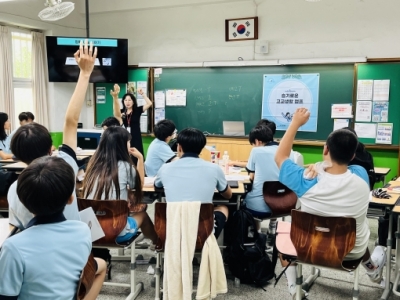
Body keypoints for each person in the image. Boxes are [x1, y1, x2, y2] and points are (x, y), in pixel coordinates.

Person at [275, 108, 386, 298]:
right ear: (352, 156)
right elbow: (343, 170)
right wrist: (321, 166)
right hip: (351, 252)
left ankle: (294, 288)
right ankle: (371, 268)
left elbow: (281, 157)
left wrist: (295, 123)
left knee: (283, 231)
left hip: (308, 249)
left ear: (325, 149)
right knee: (356, 228)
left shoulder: (306, 179)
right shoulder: (361, 175)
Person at [7, 39, 95, 229]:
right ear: (50, 148)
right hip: (75, 251)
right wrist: (85, 73)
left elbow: (15, 229)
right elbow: (71, 121)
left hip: (34, 256)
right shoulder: (66, 167)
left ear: (18, 156)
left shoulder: (15, 189)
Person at [0, 156, 105, 300]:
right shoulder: (83, 231)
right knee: (102, 264)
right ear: (70, 199)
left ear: (23, 201)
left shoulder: (13, 247)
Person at [82, 126, 158, 245]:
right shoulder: (126, 167)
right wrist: (140, 159)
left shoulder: (92, 166)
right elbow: (139, 184)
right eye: (128, 142)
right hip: (116, 232)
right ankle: (157, 244)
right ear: (122, 145)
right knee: (142, 214)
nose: (130, 144)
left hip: (91, 233)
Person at [155, 128, 232, 238]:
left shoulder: (165, 168)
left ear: (179, 147)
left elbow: (157, 186)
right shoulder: (214, 169)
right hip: (203, 233)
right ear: (201, 149)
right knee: (223, 208)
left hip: (174, 233)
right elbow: (228, 195)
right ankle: (214, 247)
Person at [243, 125, 295, 234]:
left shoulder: (256, 151)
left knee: (240, 201)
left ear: (257, 141)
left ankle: (255, 234)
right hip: (285, 204)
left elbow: (251, 176)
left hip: (259, 207)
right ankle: (271, 232)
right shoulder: (289, 151)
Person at [111, 83, 153, 163]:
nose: (127, 102)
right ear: (123, 102)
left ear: (133, 101)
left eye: (129, 100)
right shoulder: (121, 112)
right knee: (125, 157)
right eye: (125, 100)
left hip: (135, 137)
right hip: (124, 137)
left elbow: (149, 104)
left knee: (137, 157)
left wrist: (142, 94)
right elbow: (115, 114)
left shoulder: (137, 110)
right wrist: (115, 97)